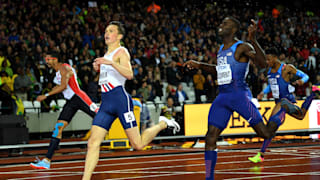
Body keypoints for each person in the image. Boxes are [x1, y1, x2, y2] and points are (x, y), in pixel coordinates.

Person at [82, 21, 180, 180]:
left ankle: (163, 123)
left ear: (119, 36)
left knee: (138, 145)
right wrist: (99, 69)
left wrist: (111, 63)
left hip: (120, 101)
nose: (106, 33)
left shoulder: (121, 52)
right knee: (93, 142)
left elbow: (129, 74)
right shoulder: (106, 55)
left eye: (111, 31)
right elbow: (111, 76)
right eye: (106, 30)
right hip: (106, 103)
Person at [184, 17, 277, 180]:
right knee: (210, 136)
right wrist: (199, 65)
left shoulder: (242, 47)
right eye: (221, 23)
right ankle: (209, 178)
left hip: (239, 95)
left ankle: (282, 111)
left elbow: (263, 64)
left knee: (265, 133)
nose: (220, 25)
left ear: (234, 29)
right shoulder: (221, 48)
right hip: (223, 97)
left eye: (225, 24)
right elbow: (219, 71)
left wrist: (253, 40)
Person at [248, 48, 319, 163]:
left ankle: (261, 154)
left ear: (275, 58)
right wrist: (263, 93)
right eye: (266, 60)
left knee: (271, 126)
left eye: (269, 59)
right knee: (298, 117)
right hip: (279, 102)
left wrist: (302, 81)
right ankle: (313, 94)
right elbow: (272, 85)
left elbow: (305, 76)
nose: (267, 62)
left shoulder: (286, 68)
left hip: (286, 101)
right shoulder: (269, 71)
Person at [30, 51, 99, 169]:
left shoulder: (63, 67)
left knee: (100, 116)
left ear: (55, 59)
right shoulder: (57, 72)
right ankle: (47, 161)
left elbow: (63, 86)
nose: (47, 62)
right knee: (58, 127)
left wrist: (46, 95)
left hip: (79, 97)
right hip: (70, 102)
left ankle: (123, 117)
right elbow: (60, 86)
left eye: (48, 59)